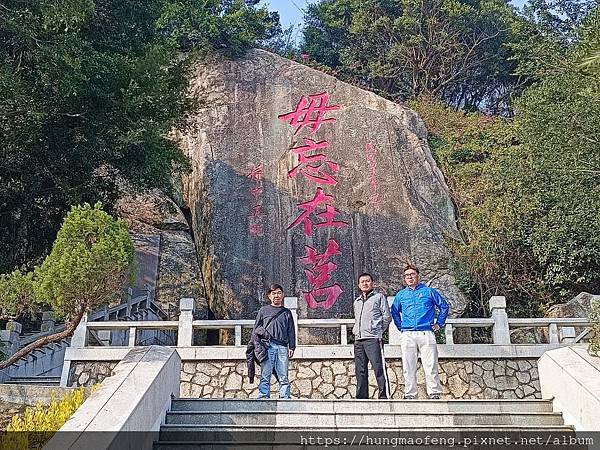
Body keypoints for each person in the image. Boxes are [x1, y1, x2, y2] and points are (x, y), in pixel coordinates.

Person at [391, 264, 449, 400]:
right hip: (408, 334)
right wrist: (401, 326)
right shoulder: (401, 295)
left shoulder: (429, 292)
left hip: (426, 333)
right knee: (408, 365)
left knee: (430, 364)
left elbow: (444, 306)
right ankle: (410, 394)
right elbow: (394, 311)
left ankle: (434, 392)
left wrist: (439, 323)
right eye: (407, 275)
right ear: (404, 278)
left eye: (412, 274)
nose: (409, 277)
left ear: (418, 276)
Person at [252, 284, 296, 399]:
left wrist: (292, 346)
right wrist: (255, 346)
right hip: (267, 346)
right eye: (274, 293)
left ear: (283, 295)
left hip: (282, 347)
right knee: (265, 374)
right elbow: (256, 329)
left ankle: (285, 396)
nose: (276, 295)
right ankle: (263, 396)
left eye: (279, 293)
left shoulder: (287, 312)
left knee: (283, 375)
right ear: (269, 296)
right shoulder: (263, 311)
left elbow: (291, 330)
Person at [352, 272, 392, 399]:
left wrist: (378, 331)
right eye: (362, 281)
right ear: (359, 285)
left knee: (378, 368)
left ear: (372, 283)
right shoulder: (357, 302)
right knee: (360, 370)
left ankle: (384, 395)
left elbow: (387, 317)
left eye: (367, 281)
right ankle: (362, 397)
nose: (365, 283)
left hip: (373, 338)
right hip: (359, 339)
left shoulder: (379, 297)